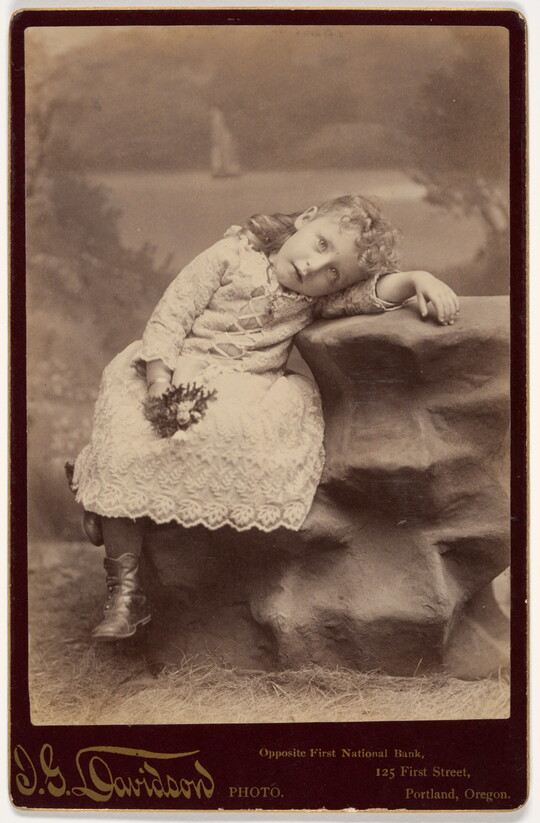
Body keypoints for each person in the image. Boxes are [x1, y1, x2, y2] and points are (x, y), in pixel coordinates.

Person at [69, 194, 459, 641]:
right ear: (307, 220)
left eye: (333, 272)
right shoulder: (233, 254)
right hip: (172, 366)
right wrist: (159, 378)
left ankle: (104, 497)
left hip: (239, 389)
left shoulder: (313, 299)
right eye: (319, 244)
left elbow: (366, 296)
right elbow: (172, 313)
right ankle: (125, 594)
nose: (314, 268)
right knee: (132, 439)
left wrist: (416, 279)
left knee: (228, 439)